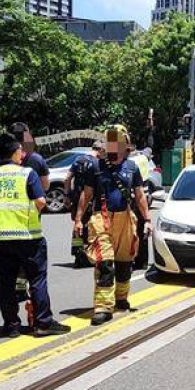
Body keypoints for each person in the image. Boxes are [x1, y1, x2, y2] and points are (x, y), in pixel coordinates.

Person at [0, 134, 71, 337]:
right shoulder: (27, 174)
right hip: (29, 237)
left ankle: (11, 326)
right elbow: (40, 201)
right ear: (14, 152)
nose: (22, 153)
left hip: (0, 239)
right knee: (37, 279)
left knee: (7, 284)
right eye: (20, 149)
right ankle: (43, 323)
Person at [74, 125, 153, 326]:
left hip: (125, 219)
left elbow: (140, 195)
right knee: (105, 263)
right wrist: (78, 219)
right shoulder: (96, 167)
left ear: (125, 145)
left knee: (125, 263)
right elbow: (87, 193)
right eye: (110, 140)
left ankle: (121, 298)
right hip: (102, 219)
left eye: (117, 140)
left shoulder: (132, 168)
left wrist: (148, 220)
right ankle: (103, 307)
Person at [0, 122, 50, 299]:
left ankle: (0, 285)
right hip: (28, 217)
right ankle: (21, 287)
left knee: (0, 253)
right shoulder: (36, 159)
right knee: (29, 258)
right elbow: (45, 186)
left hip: (0, 218)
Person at [67, 141, 105, 268]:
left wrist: (67, 195)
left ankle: (77, 254)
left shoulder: (78, 160)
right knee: (89, 226)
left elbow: (67, 178)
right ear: (100, 150)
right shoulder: (96, 163)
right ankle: (88, 255)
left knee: (77, 225)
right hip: (90, 199)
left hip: (77, 197)